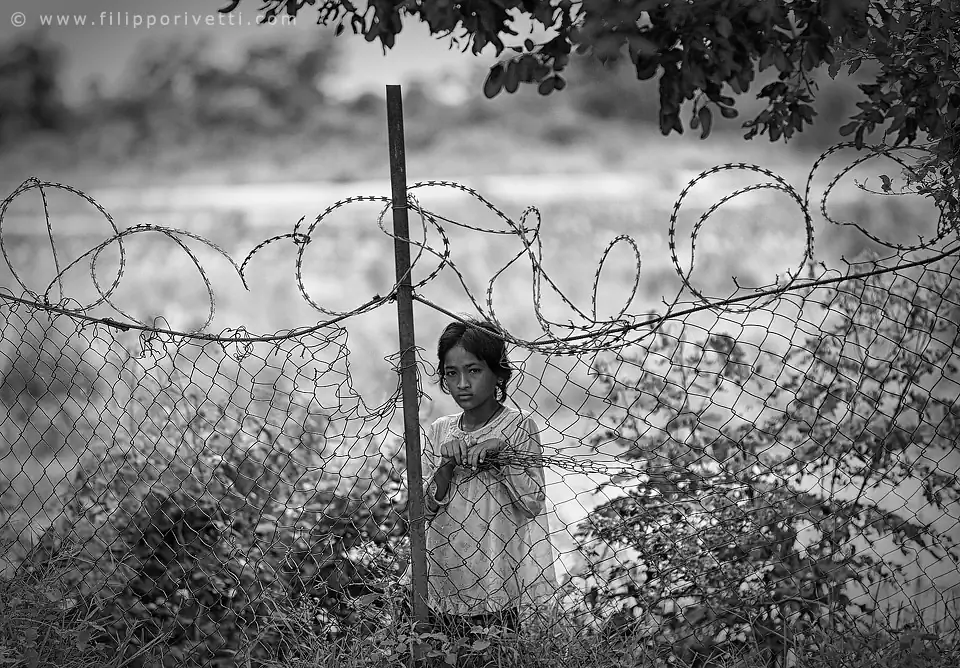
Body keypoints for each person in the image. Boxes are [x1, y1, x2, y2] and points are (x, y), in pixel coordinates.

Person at [421, 317, 556, 637]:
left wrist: (502, 455)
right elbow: (422, 511)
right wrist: (446, 466)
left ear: (498, 372)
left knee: (495, 652)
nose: (462, 384)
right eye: (451, 373)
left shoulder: (518, 427)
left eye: (474, 370)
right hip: (441, 581)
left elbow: (533, 502)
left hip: (496, 586)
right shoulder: (440, 430)